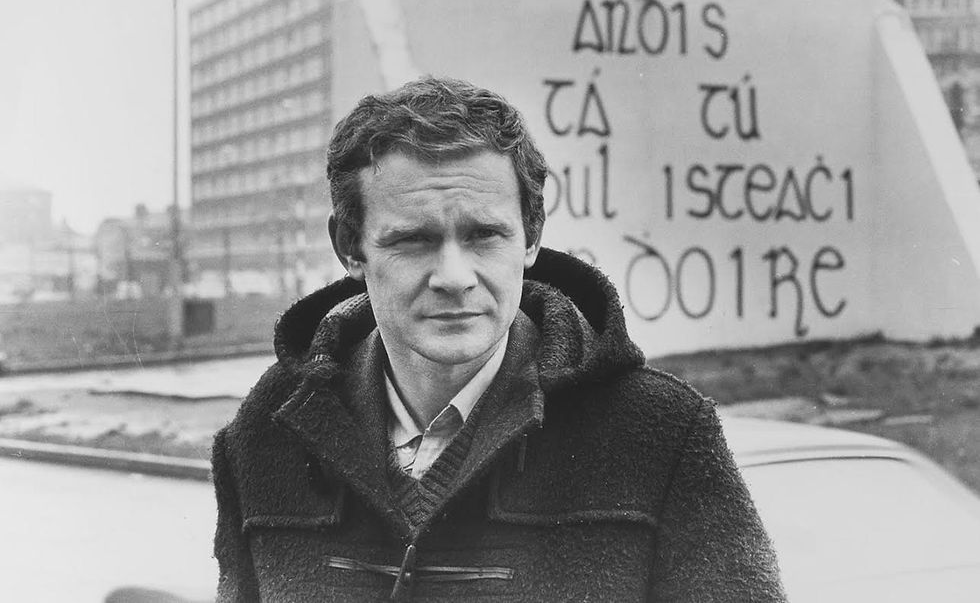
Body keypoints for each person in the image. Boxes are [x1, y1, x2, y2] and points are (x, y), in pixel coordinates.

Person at [211, 76, 786, 602]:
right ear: (351, 247)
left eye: (485, 235)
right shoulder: (265, 433)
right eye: (413, 240)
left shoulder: (660, 435)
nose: (455, 277)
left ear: (531, 238)